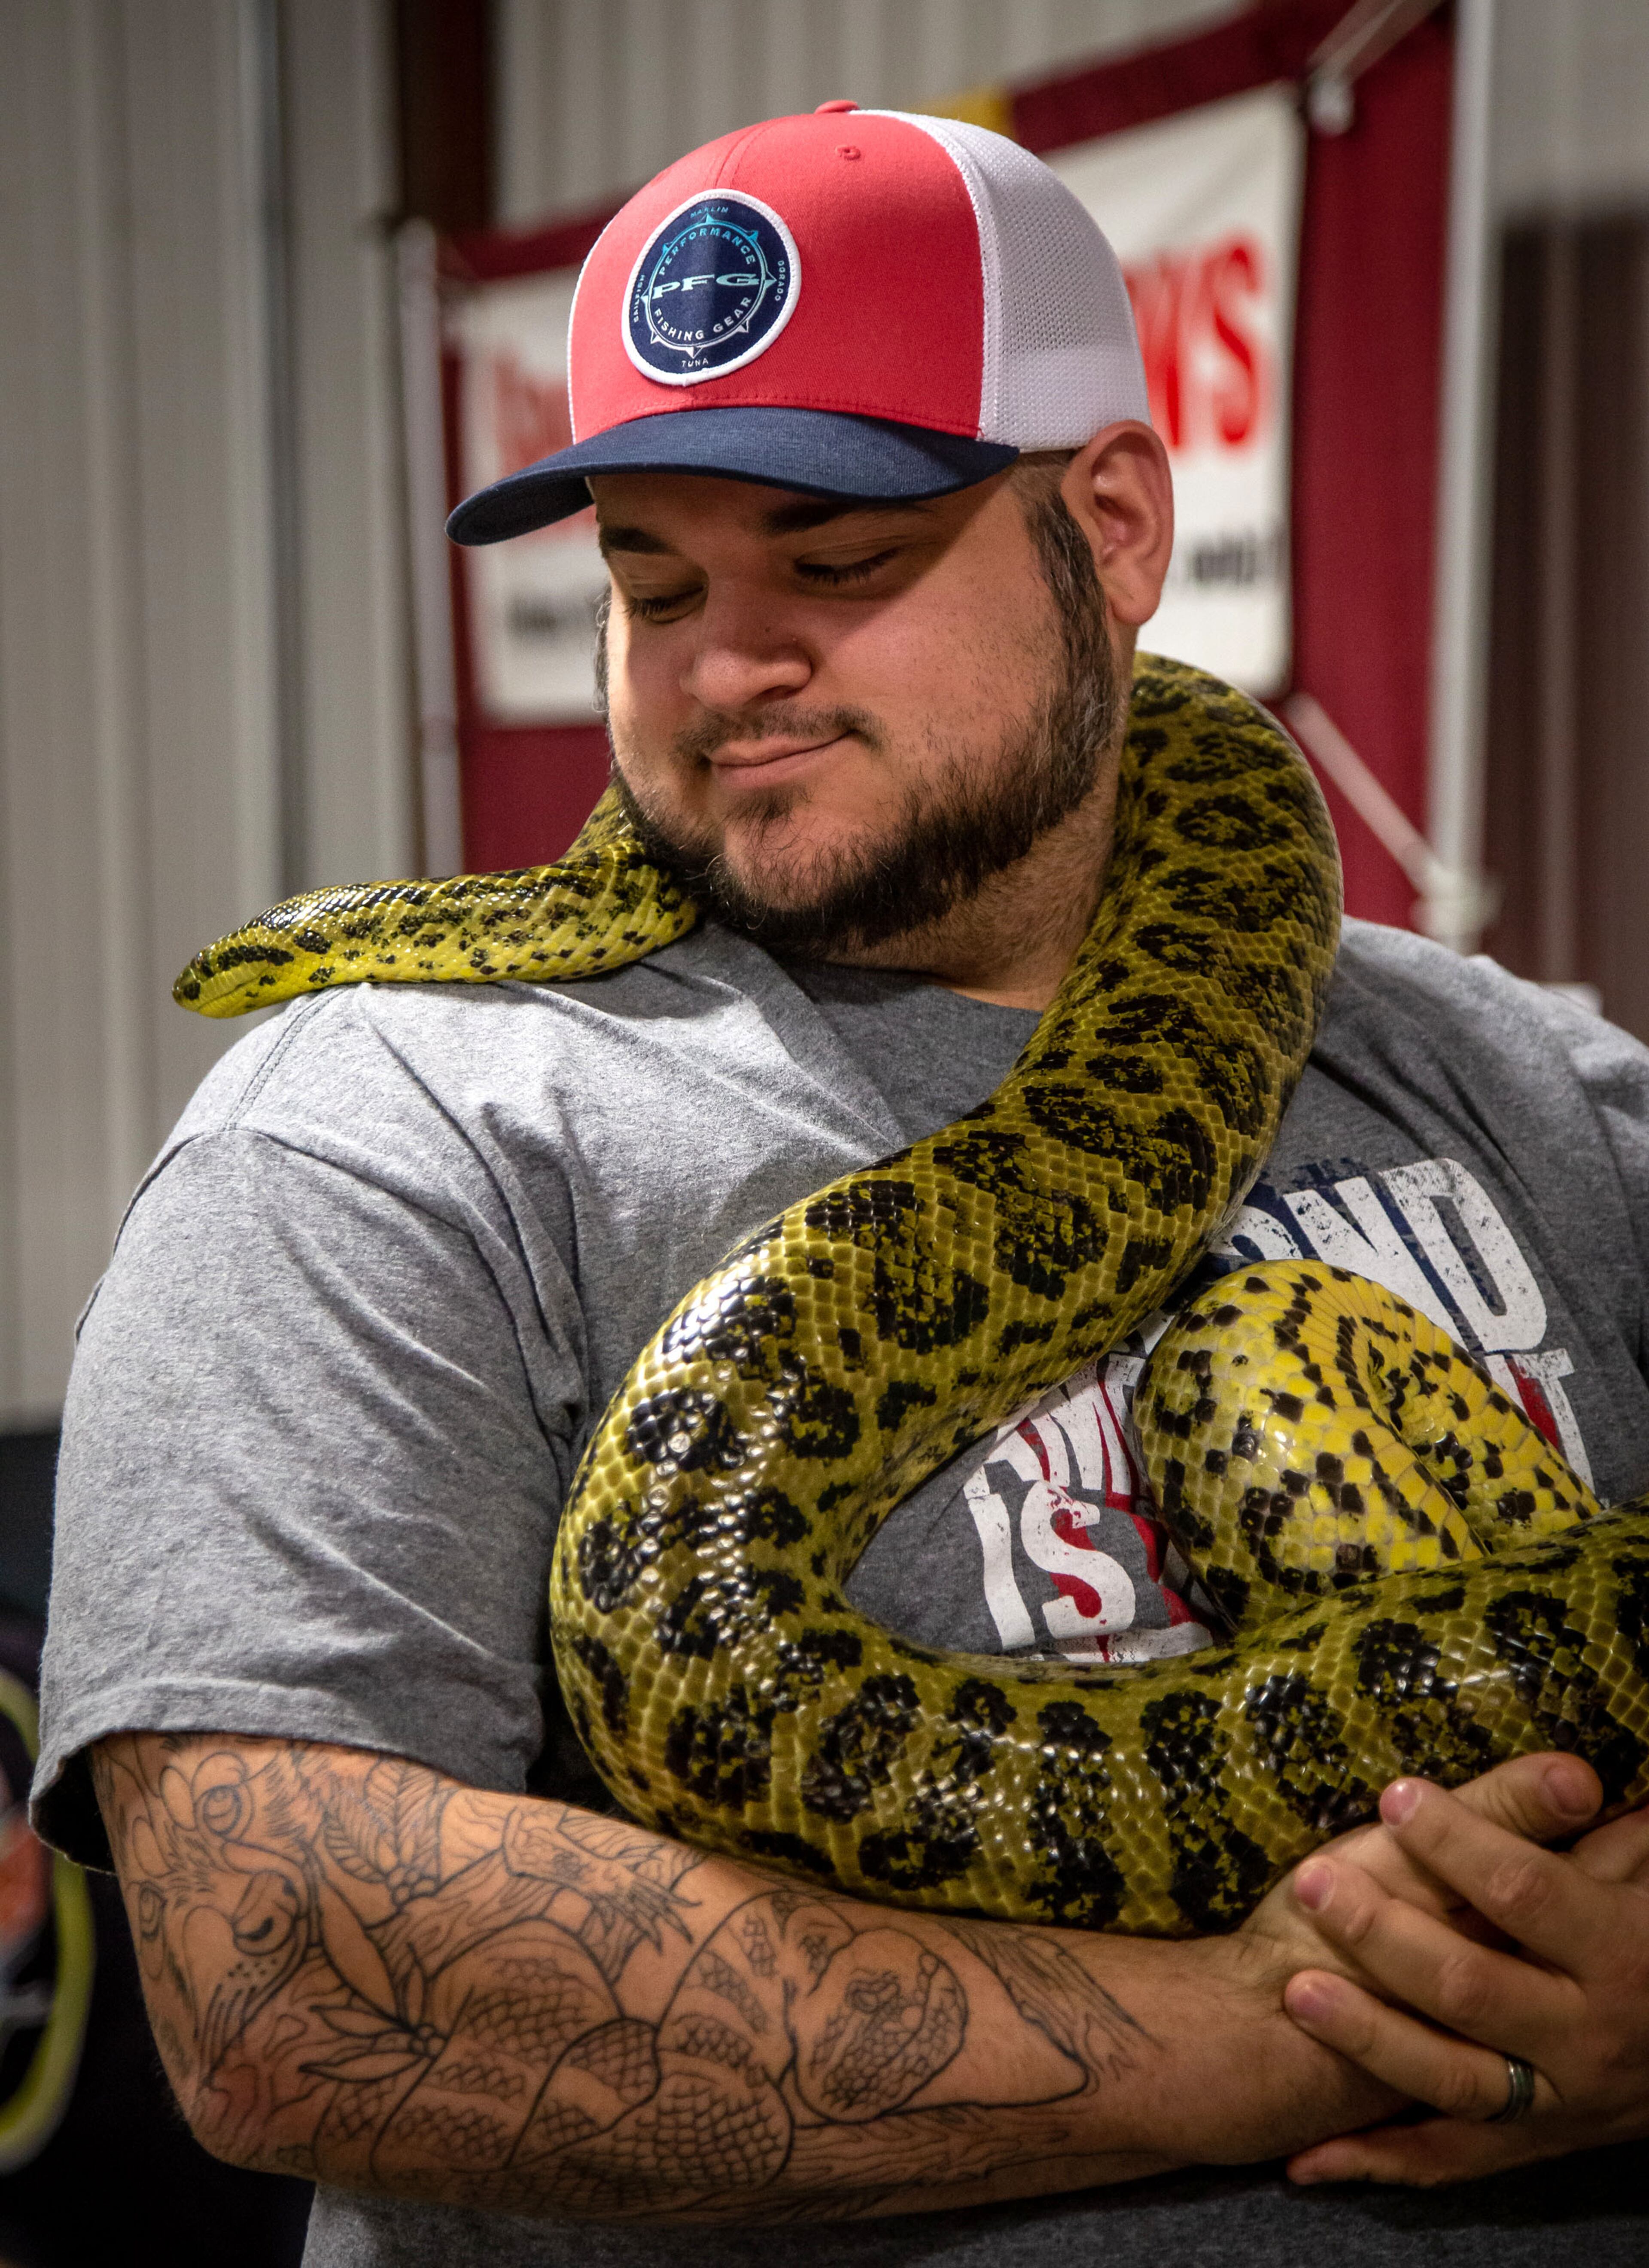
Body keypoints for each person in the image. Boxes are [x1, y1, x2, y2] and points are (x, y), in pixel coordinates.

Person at [32, 104, 1649, 2267]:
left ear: (1121, 528)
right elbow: (288, 1987)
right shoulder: (385, 1140)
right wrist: (1292, 2031)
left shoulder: (1511, 1067)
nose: (725, 665)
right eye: (652, 577)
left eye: (839, 556)